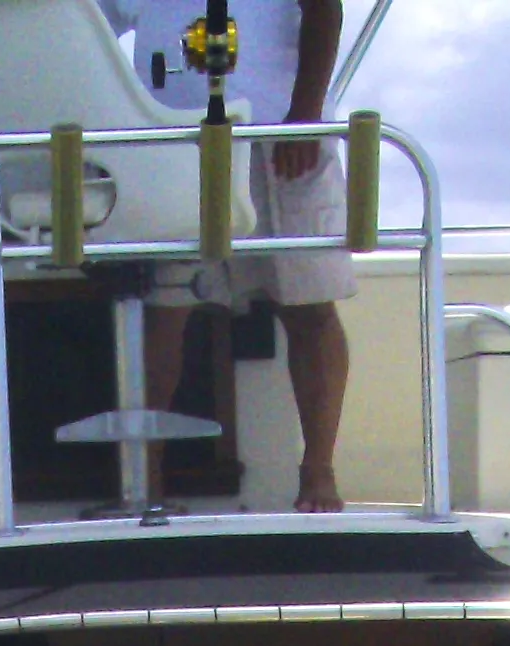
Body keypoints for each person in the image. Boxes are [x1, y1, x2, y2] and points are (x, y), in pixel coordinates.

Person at [132, 0, 353, 512]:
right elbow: (80, 25)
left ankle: (318, 472)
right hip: (173, 144)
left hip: (280, 139)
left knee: (311, 308)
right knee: (164, 312)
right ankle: (148, 480)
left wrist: (305, 118)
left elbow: (324, 10)